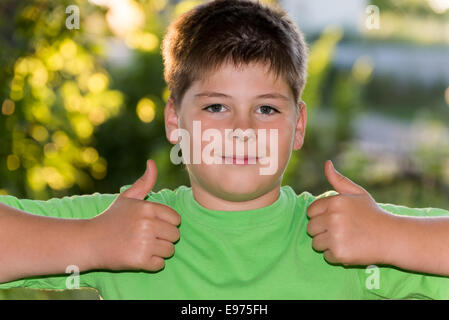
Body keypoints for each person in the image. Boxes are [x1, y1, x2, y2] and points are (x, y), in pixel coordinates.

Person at [1, 0, 449, 299]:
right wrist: (91, 241)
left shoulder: (351, 234)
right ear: (174, 120)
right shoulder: (125, 222)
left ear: (299, 126)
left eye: (268, 110)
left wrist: (392, 237)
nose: (242, 130)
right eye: (217, 106)